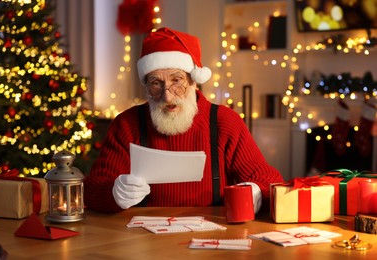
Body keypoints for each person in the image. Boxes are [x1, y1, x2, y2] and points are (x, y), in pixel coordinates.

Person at [84, 27, 284, 213]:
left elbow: (269, 180)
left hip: (212, 240)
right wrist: (113, 193)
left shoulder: (225, 122)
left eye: (176, 81)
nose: (167, 96)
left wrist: (255, 191)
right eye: (156, 83)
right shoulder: (127, 125)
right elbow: (92, 189)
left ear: (193, 80)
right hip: (144, 242)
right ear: (146, 86)